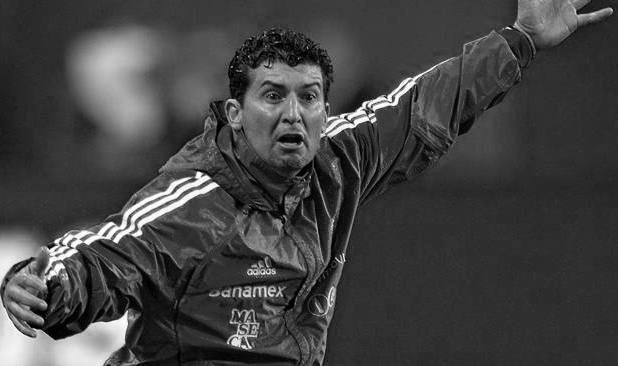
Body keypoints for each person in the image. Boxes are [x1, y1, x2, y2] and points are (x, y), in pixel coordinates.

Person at [1, 0, 612, 365]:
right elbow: (108, 257)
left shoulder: (338, 160)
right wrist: (47, 286)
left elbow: (428, 104)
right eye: (273, 96)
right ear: (235, 113)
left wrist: (522, 40)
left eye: (309, 97)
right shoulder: (194, 204)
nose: (294, 114)